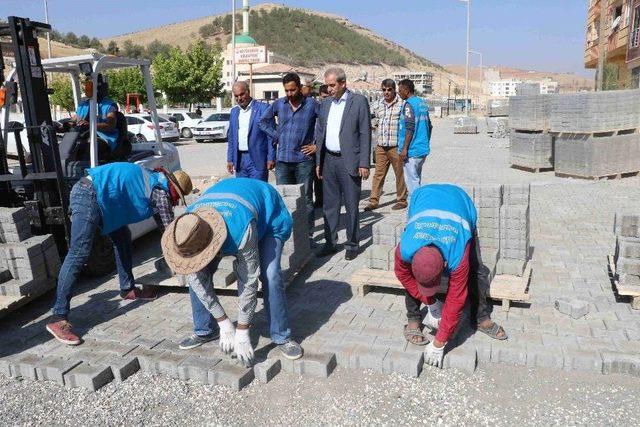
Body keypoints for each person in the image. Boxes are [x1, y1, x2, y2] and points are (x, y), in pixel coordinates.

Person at [46, 162, 193, 345]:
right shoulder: (161, 193)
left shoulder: (154, 179)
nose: (175, 201)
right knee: (79, 254)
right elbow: (168, 231)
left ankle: (127, 289)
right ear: (173, 188)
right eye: (177, 197)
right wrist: (184, 259)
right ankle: (58, 317)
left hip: (102, 199)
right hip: (89, 195)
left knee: (123, 238)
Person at [165, 178, 303, 361]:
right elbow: (197, 281)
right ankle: (205, 329)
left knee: (270, 275)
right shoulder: (189, 224)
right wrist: (224, 323)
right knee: (197, 273)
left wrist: (242, 330)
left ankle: (281, 336)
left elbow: (248, 279)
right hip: (234, 211)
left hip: (267, 215)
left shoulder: (240, 229)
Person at [394, 184, 507, 368]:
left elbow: (456, 296)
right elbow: (403, 274)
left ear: (445, 266)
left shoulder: (457, 254)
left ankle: (481, 318)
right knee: (417, 275)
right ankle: (413, 320)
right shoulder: (406, 248)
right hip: (424, 199)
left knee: (476, 269)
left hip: (459, 204)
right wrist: (431, 302)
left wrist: (439, 342)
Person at [315, 67, 371, 260]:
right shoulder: (325, 104)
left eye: (332, 85)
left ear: (343, 83)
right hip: (329, 160)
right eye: (327, 85)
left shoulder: (358, 102)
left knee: (351, 205)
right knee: (330, 205)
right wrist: (318, 161)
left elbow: (365, 133)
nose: (329, 89)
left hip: (350, 161)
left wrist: (364, 163)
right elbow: (320, 132)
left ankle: (352, 244)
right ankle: (330, 242)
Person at [258, 73, 317, 238]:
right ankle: (288, 235)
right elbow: (262, 122)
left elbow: (325, 124)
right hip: (283, 161)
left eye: (292, 90)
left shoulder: (312, 105)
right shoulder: (279, 104)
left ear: (299, 87)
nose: (290, 94)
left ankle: (307, 235)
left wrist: (316, 145)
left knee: (305, 199)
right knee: (283, 198)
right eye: (287, 91)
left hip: (304, 161)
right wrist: (276, 135)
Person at [364, 79, 408, 212]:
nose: (386, 92)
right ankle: (373, 201)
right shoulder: (377, 104)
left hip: (396, 146)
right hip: (381, 146)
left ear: (394, 90)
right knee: (378, 174)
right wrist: (373, 125)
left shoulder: (402, 104)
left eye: (389, 90)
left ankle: (401, 200)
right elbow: (369, 117)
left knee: (399, 173)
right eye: (384, 90)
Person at [227, 81, 275, 182]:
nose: (239, 98)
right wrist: (230, 159)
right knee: (243, 192)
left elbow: (271, 136)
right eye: (236, 96)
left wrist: (271, 157)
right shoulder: (234, 112)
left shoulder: (263, 108)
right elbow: (231, 137)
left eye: (242, 94)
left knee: (257, 190)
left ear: (248, 92)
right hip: (240, 160)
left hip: (258, 158)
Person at [397, 79, 431, 196]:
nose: (398, 93)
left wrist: (405, 149)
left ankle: (416, 207)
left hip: (412, 150)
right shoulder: (421, 103)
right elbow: (429, 126)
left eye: (400, 90)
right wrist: (425, 140)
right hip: (422, 148)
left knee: (412, 182)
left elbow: (409, 128)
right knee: (417, 178)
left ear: (406, 90)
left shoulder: (409, 104)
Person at [73, 74, 119, 152]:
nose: (86, 88)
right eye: (86, 85)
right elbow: (75, 119)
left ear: (98, 87)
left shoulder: (109, 106)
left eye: (89, 85)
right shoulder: (83, 105)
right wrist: (65, 126)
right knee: (69, 146)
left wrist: (90, 125)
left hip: (105, 138)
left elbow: (111, 125)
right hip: (85, 136)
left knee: (87, 145)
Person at [312, 85, 330, 208]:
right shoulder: (315, 108)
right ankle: (319, 200)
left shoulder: (332, 110)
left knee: (327, 177)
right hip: (312, 148)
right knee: (316, 176)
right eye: (323, 97)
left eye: (327, 97)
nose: (325, 100)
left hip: (327, 149)